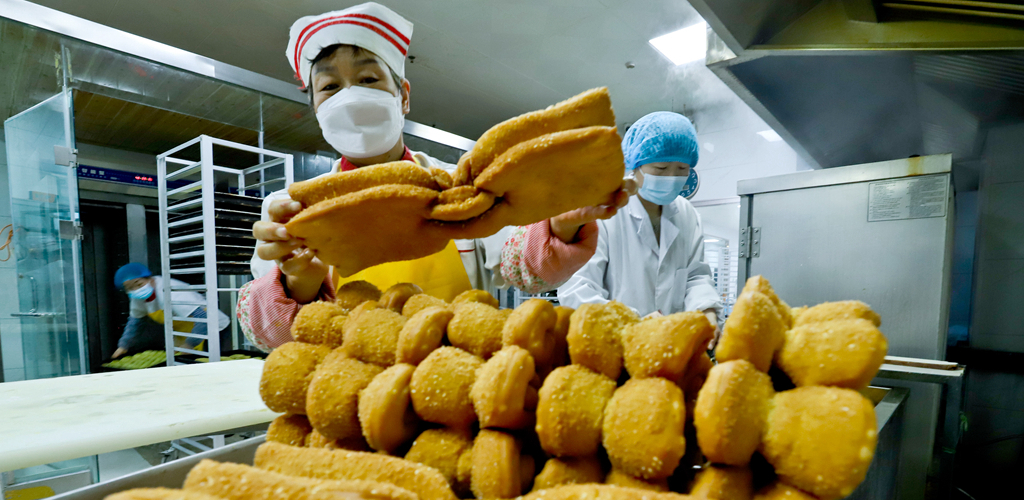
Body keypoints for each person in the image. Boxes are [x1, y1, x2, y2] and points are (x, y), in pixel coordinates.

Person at [238, 2, 626, 352]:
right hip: (350, 393)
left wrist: (562, 225)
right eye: (329, 87)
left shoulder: (461, 189)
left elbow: (520, 266)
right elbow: (273, 339)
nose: (350, 97)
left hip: (462, 381)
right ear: (315, 108)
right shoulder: (289, 213)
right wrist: (299, 282)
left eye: (369, 79)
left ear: (404, 96)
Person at [557, 112, 723, 340]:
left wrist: (707, 311)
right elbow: (577, 288)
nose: (672, 177)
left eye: (682, 169)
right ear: (635, 165)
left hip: (672, 344)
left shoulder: (687, 214)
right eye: (661, 168)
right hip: (614, 343)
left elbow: (695, 276)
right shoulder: (604, 211)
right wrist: (631, 324)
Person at [111, 262, 230, 359]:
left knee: (207, 364)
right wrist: (123, 346)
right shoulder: (137, 298)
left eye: (139, 284)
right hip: (185, 331)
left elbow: (203, 318)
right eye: (130, 288)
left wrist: (189, 344)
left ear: (150, 279)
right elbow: (135, 323)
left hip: (211, 328)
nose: (136, 289)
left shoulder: (169, 291)